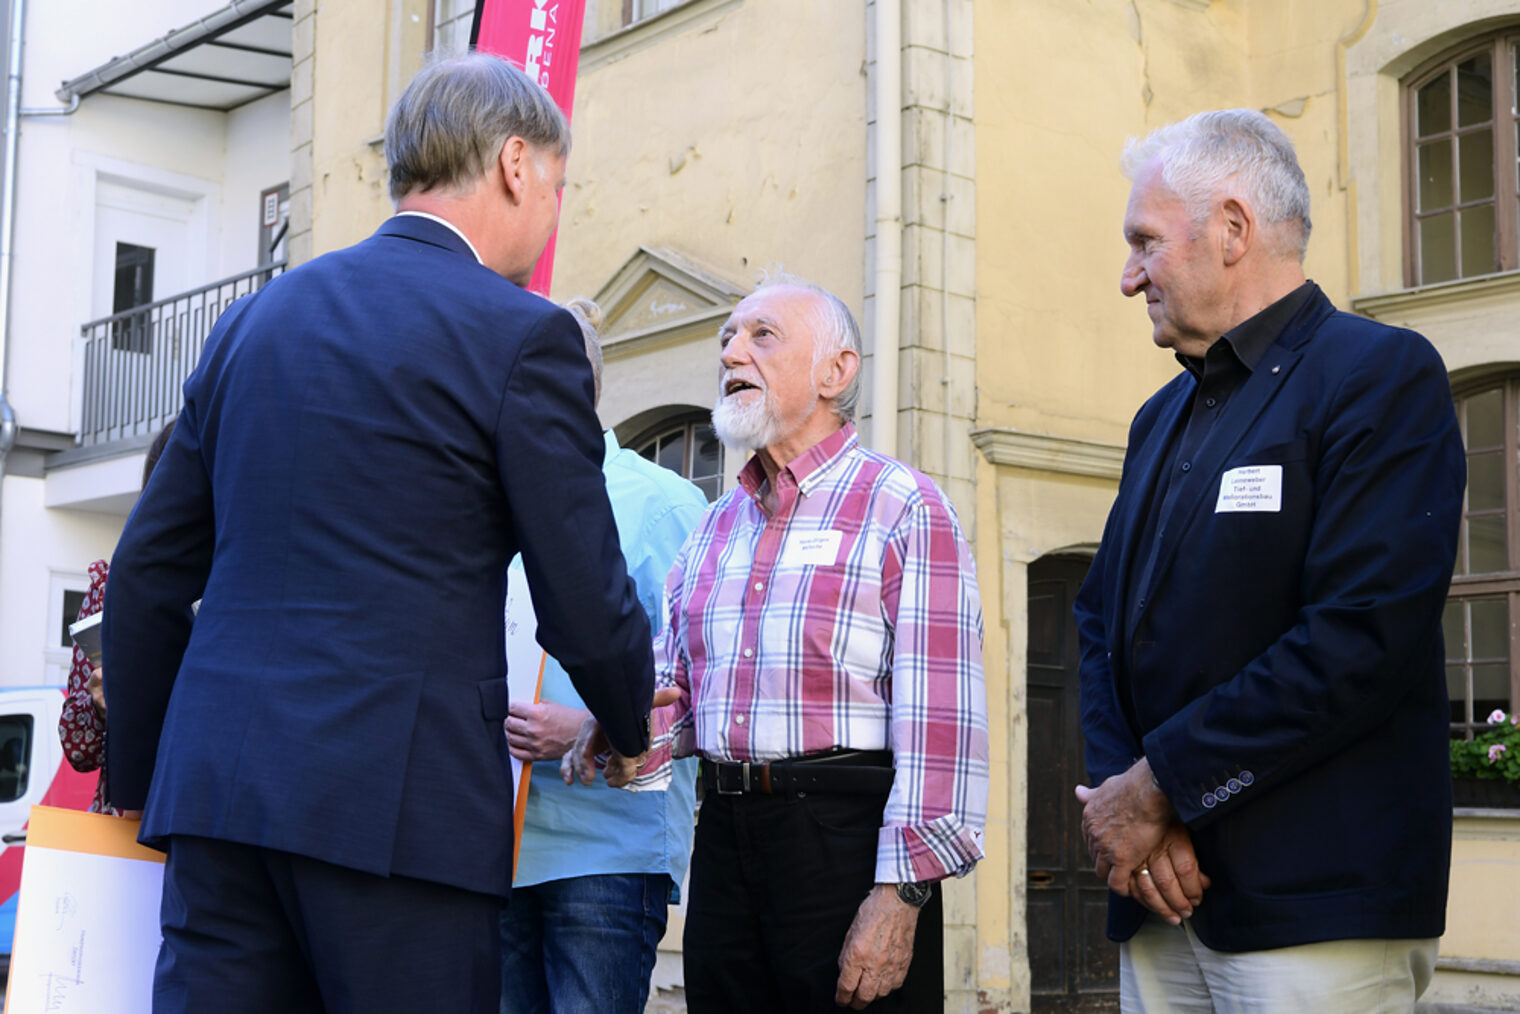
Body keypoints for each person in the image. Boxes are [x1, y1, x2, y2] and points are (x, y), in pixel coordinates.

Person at [101, 54, 656, 1014]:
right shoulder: (522, 336)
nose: (554, 212)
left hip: (221, 804)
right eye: (558, 188)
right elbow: (583, 589)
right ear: (516, 166)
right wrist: (631, 721)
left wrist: (145, 776)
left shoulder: (251, 322)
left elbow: (149, 571)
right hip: (402, 815)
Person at [1073, 108, 1465, 1012]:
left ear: (1234, 230)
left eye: (1145, 242)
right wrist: (1131, 810)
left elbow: (1360, 637)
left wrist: (1163, 785)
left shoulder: (1379, 375)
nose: (1129, 278)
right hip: (1163, 894)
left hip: (1316, 902)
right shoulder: (1158, 418)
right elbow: (1099, 622)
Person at [565, 276, 990, 1013]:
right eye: (727, 337)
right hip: (725, 840)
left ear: (836, 372)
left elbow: (941, 727)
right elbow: (683, 700)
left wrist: (902, 896)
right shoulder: (712, 530)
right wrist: (620, 727)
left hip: (845, 847)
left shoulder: (904, 506)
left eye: (762, 335)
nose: (732, 350)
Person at [499, 298, 705, 1014]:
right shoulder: (485, 502)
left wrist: (592, 724)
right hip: (491, 853)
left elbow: (702, 690)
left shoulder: (664, 503)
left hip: (605, 858)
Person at [58, 420, 175, 816]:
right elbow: (78, 748)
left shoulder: (232, 585)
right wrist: (100, 705)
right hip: (128, 824)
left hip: (202, 823)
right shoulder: (111, 590)